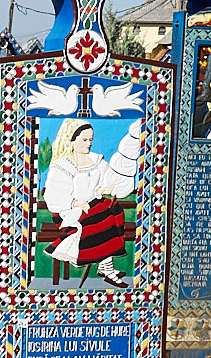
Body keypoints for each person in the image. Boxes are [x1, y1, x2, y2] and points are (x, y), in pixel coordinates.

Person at [41, 118, 142, 289]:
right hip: (69, 211)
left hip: (92, 206)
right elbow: (53, 195)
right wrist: (75, 203)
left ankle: (104, 265)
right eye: (84, 140)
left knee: (115, 211)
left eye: (90, 139)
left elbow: (100, 182)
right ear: (72, 140)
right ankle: (108, 271)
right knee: (103, 219)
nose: (89, 143)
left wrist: (104, 188)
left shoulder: (95, 160)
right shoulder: (63, 165)